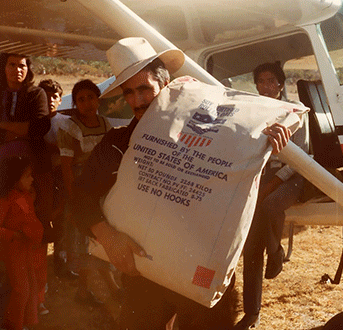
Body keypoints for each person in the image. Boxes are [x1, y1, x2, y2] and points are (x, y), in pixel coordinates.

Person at [73, 37, 292, 330]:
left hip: (201, 278)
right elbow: (79, 198)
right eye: (129, 93)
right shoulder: (117, 143)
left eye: (144, 89)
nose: (137, 101)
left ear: (165, 87)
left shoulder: (213, 137)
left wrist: (268, 141)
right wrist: (107, 236)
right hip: (145, 279)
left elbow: (243, 153)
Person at [234, 62, 310, 330]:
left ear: (280, 85)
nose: (266, 86)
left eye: (271, 81)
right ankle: (251, 313)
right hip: (262, 176)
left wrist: (273, 182)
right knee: (252, 244)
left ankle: (276, 252)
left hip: (294, 176)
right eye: (261, 81)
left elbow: (300, 159)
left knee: (270, 204)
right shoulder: (254, 112)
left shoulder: (297, 113)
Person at [0, 53, 52, 319]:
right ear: (4, 66)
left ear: (28, 68)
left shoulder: (36, 94)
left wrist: (5, 126)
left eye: (22, 65)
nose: (17, 70)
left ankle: (32, 300)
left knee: (29, 226)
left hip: (29, 171)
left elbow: (39, 127)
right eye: (12, 64)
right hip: (2, 172)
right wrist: (20, 127)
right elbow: (28, 127)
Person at [57, 79, 117, 307]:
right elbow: (66, 166)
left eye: (90, 97)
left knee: (99, 239)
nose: (86, 103)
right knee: (83, 241)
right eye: (80, 100)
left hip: (102, 189)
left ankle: (88, 291)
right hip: (81, 189)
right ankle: (88, 290)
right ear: (75, 104)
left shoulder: (106, 124)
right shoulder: (70, 127)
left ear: (98, 99)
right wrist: (74, 201)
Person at [0, 156, 44, 330]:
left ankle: (19, 322)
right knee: (21, 289)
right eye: (27, 176)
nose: (32, 179)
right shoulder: (6, 199)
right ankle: (11, 325)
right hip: (12, 250)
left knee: (30, 285)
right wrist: (14, 235)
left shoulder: (25, 195)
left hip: (25, 249)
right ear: (14, 178)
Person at [39, 79, 73, 280]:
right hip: (41, 176)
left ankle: (61, 264)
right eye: (45, 96)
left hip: (60, 176)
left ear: (60, 100)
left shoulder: (65, 122)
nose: (50, 100)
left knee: (62, 222)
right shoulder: (35, 122)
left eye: (54, 96)